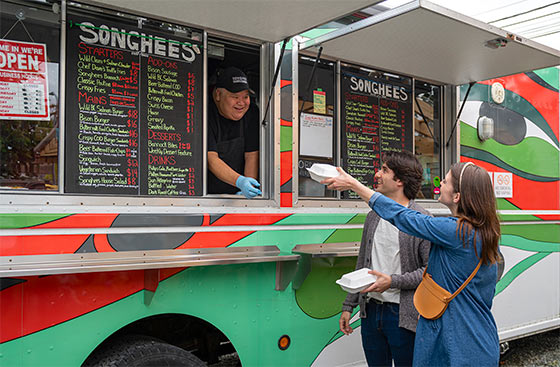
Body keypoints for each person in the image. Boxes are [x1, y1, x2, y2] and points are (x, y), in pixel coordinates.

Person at [325, 161, 501, 367]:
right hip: (479, 337)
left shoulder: (456, 232)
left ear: (457, 197)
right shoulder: (485, 233)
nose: (439, 184)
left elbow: (403, 216)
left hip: (457, 342)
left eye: (444, 181)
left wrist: (354, 185)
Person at [340, 151, 431, 367]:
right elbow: (362, 263)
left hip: (403, 315)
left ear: (399, 181)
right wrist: (348, 305)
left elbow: (430, 271)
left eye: (384, 170)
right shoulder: (373, 216)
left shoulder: (422, 219)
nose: (377, 174)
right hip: (371, 311)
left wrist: (393, 282)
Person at [207, 67, 261, 198]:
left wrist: (247, 192)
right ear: (218, 94)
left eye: (246, 97)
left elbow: (251, 155)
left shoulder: (252, 113)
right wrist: (240, 181)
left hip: (237, 196)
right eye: (235, 96)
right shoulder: (204, 112)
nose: (241, 103)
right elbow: (210, 158)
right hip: (210, 197)